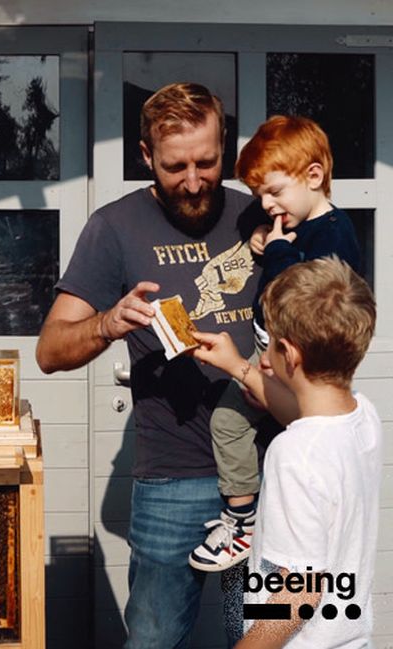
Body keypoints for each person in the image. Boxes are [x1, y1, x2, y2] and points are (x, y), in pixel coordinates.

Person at [36, 82, 267, 647]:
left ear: (225, 149)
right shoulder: (114, 227)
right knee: (153, 639)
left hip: (272, 472)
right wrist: (107, 323)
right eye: (175, 166)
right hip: (172, 481)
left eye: (208, 163)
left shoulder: (262, 214)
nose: (193, 181)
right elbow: (49, 350)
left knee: (271, 630)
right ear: (146, 157)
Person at [188, 116, 362, 572]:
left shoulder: (334, 234)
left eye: (275, 192)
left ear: (314, 176)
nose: (267, 205)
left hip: (295, 360)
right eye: (259, 196)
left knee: (229, 420)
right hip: (276, 355)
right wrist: (267, 241)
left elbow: (312, 293)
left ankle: (242, 521)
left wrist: (281, 252)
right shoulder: (304, 226)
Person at [192, 256, 380, 648]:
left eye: (269, 342)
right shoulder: (362, 414)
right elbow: (305, 411)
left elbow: (300, 593)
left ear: (289, 355)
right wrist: (237, 367)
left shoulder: (294, 453)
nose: (262, 356)